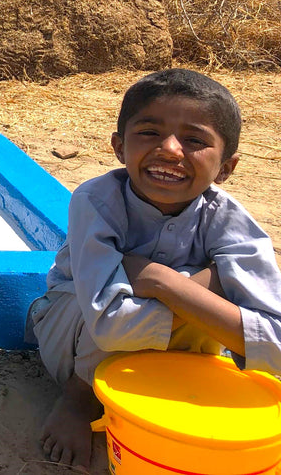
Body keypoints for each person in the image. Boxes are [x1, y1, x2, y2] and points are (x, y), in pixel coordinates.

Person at [27, 68, 281, 470]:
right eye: (149, 132)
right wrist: (204, 286)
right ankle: (78, 399)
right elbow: (110, 324)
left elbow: (277, 341)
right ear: (118, 146)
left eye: (195, 140)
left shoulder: (229, 221)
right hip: (71, 331)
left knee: (200, 298)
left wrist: (161, 281)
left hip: (165, 353)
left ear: (226, 167)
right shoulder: (97, 201)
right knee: (188, 295)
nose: (170, 150)